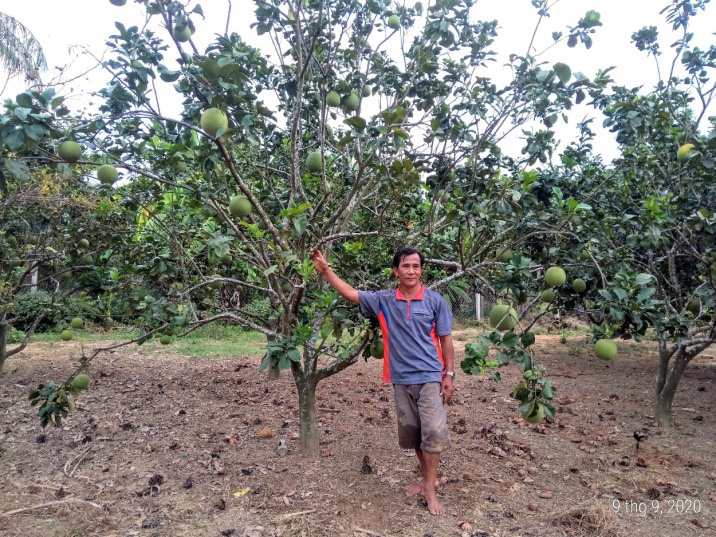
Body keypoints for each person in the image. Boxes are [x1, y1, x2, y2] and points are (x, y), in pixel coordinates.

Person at [311, 246, 455, 516]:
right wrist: (326, 270)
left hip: (430, 377)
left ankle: (431, 490)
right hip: (400, 379)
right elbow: (350, 293)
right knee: (414, 436)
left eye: (415, 266)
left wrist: (449, 375)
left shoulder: (436, 302)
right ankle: (426, 480)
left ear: (421, 270)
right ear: (396, 271)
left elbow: (446, 340)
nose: (410, 270)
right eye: (405, 266)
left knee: (433, 433)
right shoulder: (384, 300)